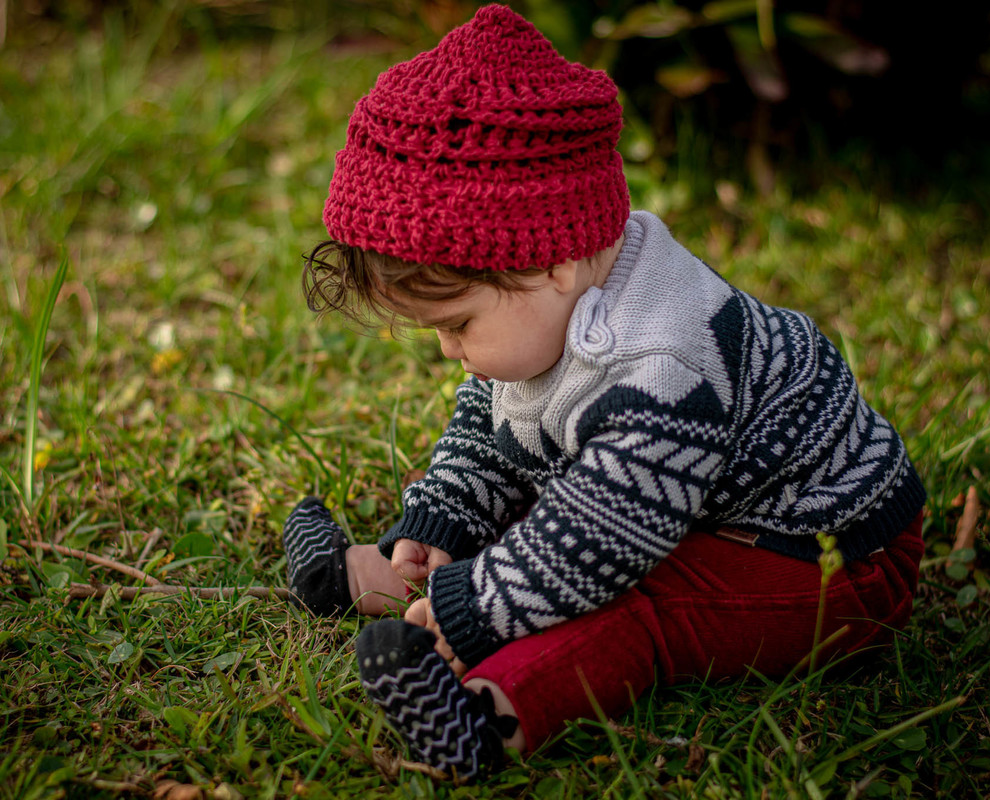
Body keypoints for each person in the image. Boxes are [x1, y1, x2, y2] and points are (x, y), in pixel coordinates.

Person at [282, 3, 926, 782]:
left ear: (552, 264)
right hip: (676, 501)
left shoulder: (668, 364)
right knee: (531, 510)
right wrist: (446, 512)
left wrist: (475, 610)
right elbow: (493, 427)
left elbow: (606, 541)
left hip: (826, 557)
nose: (452, 353)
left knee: (632, 601)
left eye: (456, 324)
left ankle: (488, 713)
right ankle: (380, 572)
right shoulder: (560, 303)